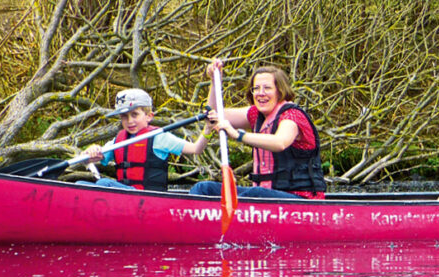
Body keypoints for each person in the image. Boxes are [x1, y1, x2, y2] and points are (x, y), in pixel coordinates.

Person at [187, 63, 327, 200]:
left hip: (299, 197)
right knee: (203, 189)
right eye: (256, 88)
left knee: (254, 194)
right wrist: (214, 81)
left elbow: (280, 142)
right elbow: (214, 114)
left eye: (267, 88)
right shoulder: (256, 114)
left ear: (280, 91)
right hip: (265, 195)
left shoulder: (292, 115)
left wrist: (238, 135)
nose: (261, 93)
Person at [75, 88, 207, 191]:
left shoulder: (159, 137)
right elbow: (89, 158)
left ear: (149, 116)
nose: (130, 121)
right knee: (79, 184)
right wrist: (89, 152)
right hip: (125, 198)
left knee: (104, 183)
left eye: (134, 115)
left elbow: (196, 149)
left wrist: (208, 130)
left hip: (149, 199)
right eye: (124, 116)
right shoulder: (119, 140)